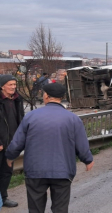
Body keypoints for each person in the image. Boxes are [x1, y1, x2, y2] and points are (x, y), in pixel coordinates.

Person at [5, 83, 94, 213]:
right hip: (62, 171)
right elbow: (81, 144)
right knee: (60, 208)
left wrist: (10, 156)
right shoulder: (73, 119)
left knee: (35, 209)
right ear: (62, 97)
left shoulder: (31, 116)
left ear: (46, 96)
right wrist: (88, 160)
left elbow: (17, 142)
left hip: (35, 171)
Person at [0, 75, 24, 208]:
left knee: (6, 172)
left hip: (11, 144)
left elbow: (21, 119)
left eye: (15, 84)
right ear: (2, 86)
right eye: (10, 84)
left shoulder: (17, 99)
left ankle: (3, 198)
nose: (13, 87)